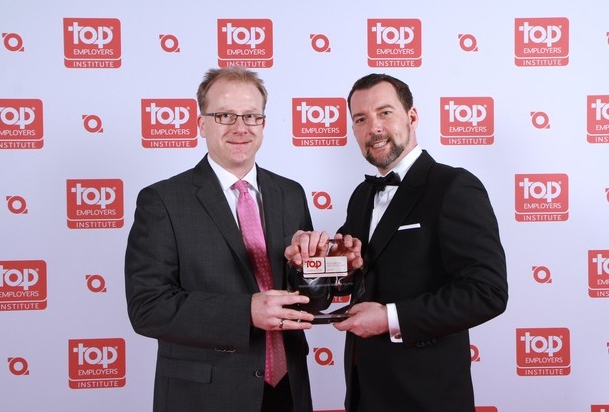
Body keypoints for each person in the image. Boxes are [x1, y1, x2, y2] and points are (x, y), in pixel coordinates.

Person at [285, 73, 508, 412]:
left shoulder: (453, 186)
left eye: (385, 112)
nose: (373, 127)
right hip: (364, 391)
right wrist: (311, 265)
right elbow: (344, 278)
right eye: (361, 119)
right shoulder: (362, 196)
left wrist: (390, 318)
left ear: (412, 117)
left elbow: (487, 293)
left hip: (427, 396)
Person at [125, 67, 318, 412]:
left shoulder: (291, 193)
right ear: (202, 123)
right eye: (225, 115)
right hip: (206, 395)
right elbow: (148, 308)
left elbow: (306, 301)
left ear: (263, 123)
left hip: (288, 388)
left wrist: (315, 272)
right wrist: (245, 312)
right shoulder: (163, 201)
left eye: (251, 116)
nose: (240, 127)